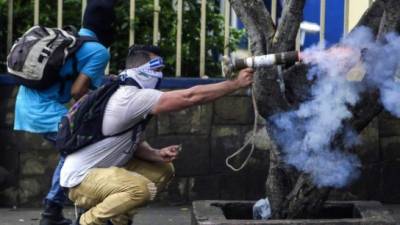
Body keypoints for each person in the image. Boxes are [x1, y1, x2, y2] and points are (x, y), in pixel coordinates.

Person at [60, 45, 254, 225]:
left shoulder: (125, 90)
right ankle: (86, 221)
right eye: (157, 68)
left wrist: (156, 154)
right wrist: (235, 84)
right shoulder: (129, 96)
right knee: (140, 189)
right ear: (142, 69)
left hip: (100, 171)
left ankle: (118, 220)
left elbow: (129, 141)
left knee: (162, 169)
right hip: (80, 180)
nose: (160, 75)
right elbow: (190, 97)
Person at [13, 1, 117, 224]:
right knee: (81, 150)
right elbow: (78, 90)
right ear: (108, 25)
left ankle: (57, 210)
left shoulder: (75, 39)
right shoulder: (98, 51)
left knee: (74, 152)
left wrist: (107, 83)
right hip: (45, 110)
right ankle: (64, 210)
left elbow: (80, 82)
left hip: (28, 104)